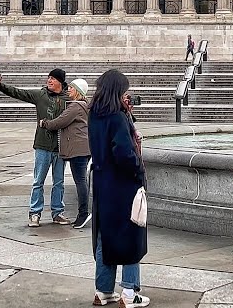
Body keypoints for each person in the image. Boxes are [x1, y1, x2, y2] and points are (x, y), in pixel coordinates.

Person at [88, 68, 150, 306]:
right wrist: (139, 170)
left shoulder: (95, 115)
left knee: (106, 235)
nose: (128, 94)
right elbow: (124, 152)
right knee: (132, 234)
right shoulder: (117, 117)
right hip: (123, 185)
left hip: (104, 184)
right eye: (125, 90)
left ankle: (103, 290)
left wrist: (128, 115)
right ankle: (129, 293)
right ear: (118, 91)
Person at [0, 68, 70, 226]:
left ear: (60, 82)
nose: (49, 81)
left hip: (61, 147)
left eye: (53, 79)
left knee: (59, 182)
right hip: (42, 145)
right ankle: (35, 213)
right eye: (48, 78)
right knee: (38, 181)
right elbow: (19, 93)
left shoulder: (69, 99)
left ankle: (57, 212)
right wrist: (0, 85)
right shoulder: (40, 95)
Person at [40, 77, 91, 230]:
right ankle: (83, 213)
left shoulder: (75, 106)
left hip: (78, 150)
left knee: (80, 182)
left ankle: (83, 214)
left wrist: (44, 123)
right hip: (84, 148)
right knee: (81, 181)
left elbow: (60, 122)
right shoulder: (85, 105)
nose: (68, 89)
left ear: (77, 91)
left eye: (71, 88)